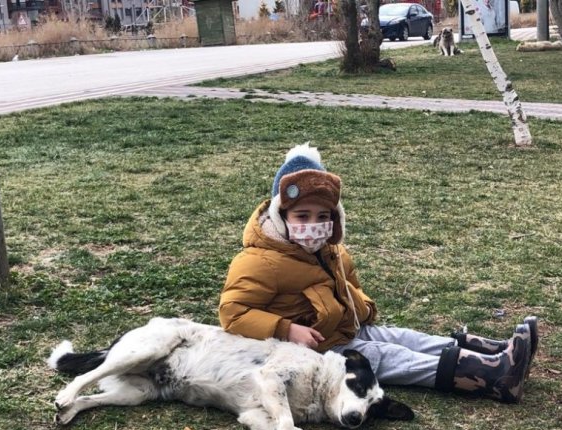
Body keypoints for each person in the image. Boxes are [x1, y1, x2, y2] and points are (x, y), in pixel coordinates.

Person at [219, 144, 539, 403]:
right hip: (319, 349)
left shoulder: (331, 250)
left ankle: (494, 350)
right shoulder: (259, 260)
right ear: (281, 215)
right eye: (302, 215)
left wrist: (364, 307)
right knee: (391, 357)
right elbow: (232, 314)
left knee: (407, 338)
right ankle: (495, 377)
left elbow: (350, 288)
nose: (313, 224)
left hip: (348, 329)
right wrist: (287, 329)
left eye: (323, 216)